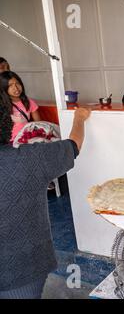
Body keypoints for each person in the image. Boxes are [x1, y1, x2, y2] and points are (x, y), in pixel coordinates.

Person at [0, 103, 91, 299]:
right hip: (23, 275)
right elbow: (73, 145)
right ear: (7, 120)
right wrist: (79, 118)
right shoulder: (30, 158)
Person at [0, 71, 41, 142]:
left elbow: (39, 123)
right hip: (8, 142)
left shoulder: (29, 102)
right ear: (3, 88)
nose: (15, 88)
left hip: (26, 138)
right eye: (10, 85)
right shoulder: (2, 105)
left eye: (17, 83)